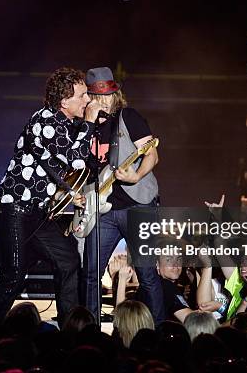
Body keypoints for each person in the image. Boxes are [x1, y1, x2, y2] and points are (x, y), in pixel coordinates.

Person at [0, 67, 104, 326]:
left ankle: (71, 327)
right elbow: (74, 160)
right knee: (14, 274)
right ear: (64, 101)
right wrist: (90, 122)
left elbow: (50, 167)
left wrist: (69, 193)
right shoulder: (45, 120)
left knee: (68, 260)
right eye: (82, 96)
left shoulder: (65, 123)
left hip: (38, 211)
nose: (88, 100)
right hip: (15, 207)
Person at [81, 66, 164, 324]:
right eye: (96, 96)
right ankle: (90, 329)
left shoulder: (128, 117)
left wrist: (136, 176)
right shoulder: (84, 128)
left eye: (107, 95)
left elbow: (152, 153)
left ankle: (157, 329)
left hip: (137, 205)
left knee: (147, 272)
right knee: (91, 272)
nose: (103, 101)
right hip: (101, 209)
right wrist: (86, 125)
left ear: (116, 94)